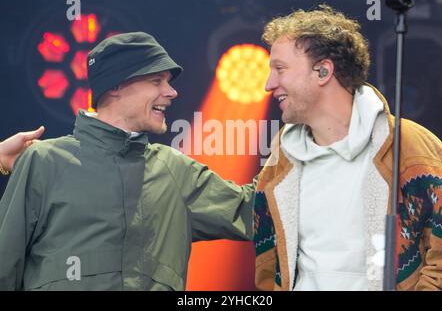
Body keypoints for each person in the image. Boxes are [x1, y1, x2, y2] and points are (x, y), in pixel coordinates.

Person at [0, 32, 254, 290]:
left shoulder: (174, 170)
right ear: (115, 86)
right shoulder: (45, 160)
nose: (172, 92)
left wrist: (293, 140)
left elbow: (257, 210)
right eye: (156, 80)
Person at [252, 5, 442, 291]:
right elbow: (268, 270)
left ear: (323, 71)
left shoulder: (407, 145)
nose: (269, 84)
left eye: (280, 69)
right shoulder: (280, 162)